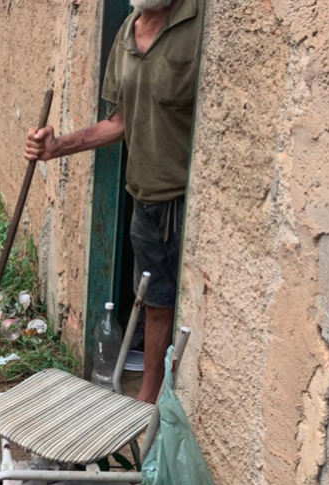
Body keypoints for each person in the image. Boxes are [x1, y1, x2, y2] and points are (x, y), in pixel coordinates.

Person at [24, 0, 203, 404]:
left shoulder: (199, 21)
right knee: (155, 302)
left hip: (187, 204)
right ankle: (148, 397)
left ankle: (183, 401)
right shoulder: (126, 32)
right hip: (143, 195)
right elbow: (119, 121)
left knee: (190, 308)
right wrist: (57, 146)